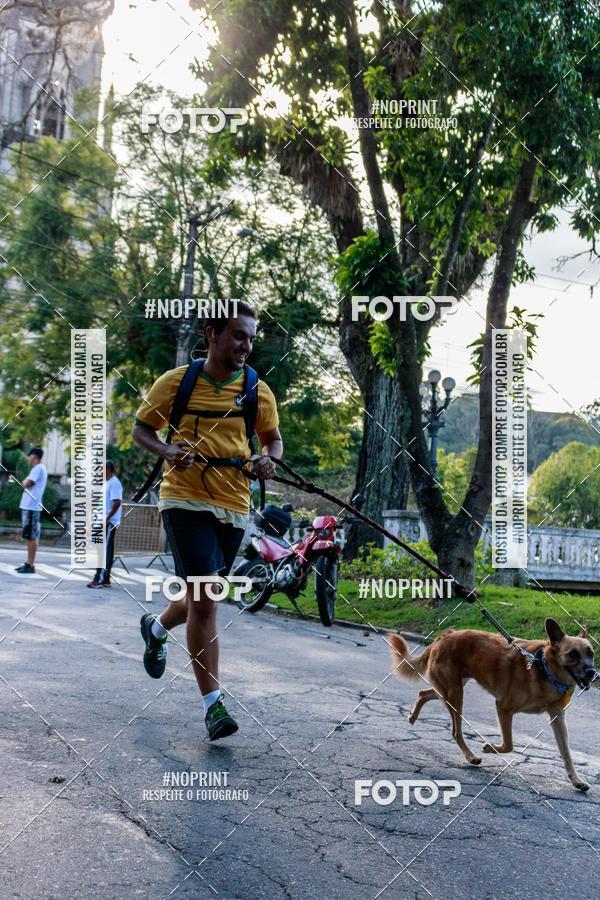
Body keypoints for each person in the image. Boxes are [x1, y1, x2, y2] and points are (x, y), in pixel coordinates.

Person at [132, 302, 282, 740]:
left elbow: (272, 441)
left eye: (251, 338)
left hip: (234, 504)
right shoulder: (176, 383)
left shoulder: (257, 390)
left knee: (205, 595)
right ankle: (213, 705)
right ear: (212, 333)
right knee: (207, 599)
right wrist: (168, 452)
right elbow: (142, 429)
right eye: (238, 335)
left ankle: (156, 627)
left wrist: (266, 462)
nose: (246, 346)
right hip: (184, 498)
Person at [87, 460, 123, 589]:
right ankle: (106, 578)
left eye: (102, 469)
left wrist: (107, 519)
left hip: (108, 523)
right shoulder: (106, 483)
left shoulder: (114, 483)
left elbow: (117, 502)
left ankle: (99, 579)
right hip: (101, 522)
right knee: (102, 550)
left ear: (109, 469)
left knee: (104, 551)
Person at [15, 447, 48, 574]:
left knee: (31, 536)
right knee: (29, 536)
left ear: (34, 456)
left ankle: (30, 565)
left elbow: (26, 484)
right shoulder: (38, 469)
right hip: (30, 507)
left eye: (30, 456)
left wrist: (24, 482)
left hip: (31, 507)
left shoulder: (38, 468)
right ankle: (28, 563)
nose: (29, 458)